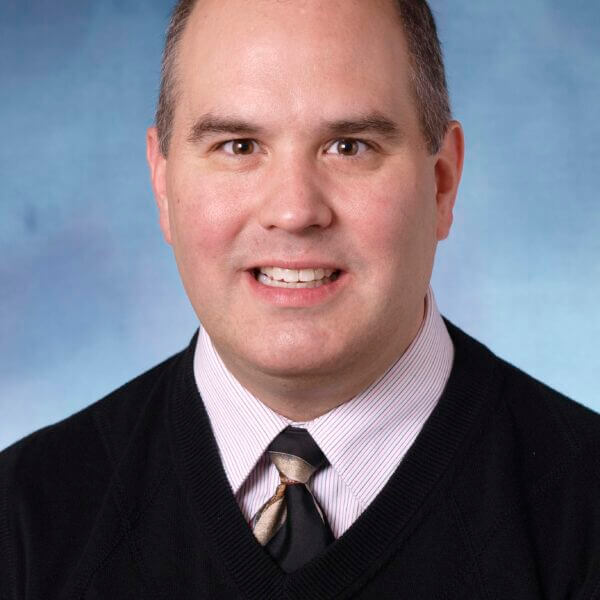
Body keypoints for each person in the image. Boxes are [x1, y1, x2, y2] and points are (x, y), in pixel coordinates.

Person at [1, 0, 599, 598]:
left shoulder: (583, 514)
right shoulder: (23, 520)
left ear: (442, 182)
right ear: (163, 184)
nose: (294, 211)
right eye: (239, 146)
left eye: (350, 146)